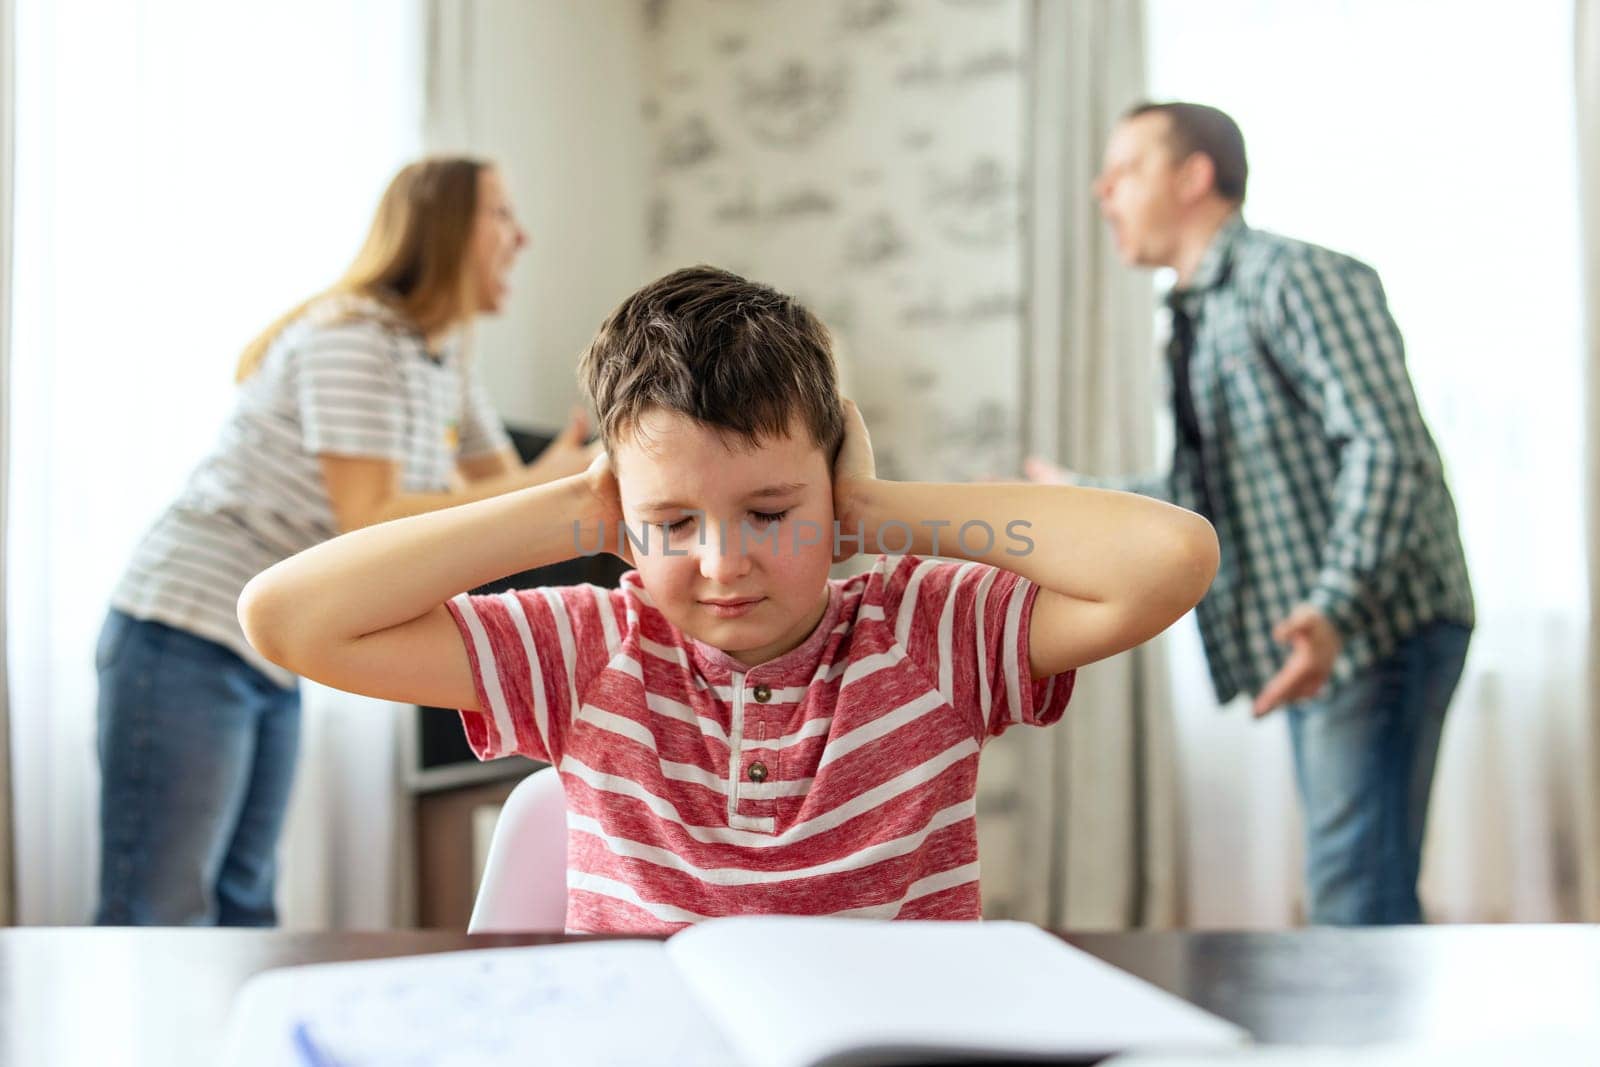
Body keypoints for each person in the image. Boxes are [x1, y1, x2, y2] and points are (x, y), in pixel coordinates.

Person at [238, 265, 1219, 934]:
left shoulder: (926, 633)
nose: (722, 563)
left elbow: (1169, 556)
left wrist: (880, 510)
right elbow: (286, 617)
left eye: (769, 509)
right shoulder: (588, 650)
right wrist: (570, 511)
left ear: (830, 481)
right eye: (671, 522)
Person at [96, 157, 597, 926]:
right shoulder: (354, 339)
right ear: (448, 227)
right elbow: (371, 518)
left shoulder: (445, 357)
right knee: (160, 907)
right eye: (502, 213)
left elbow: (506, 506)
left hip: (264, 642)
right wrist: (561, 485)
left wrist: (566, 482)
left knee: (246, 897)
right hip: (185, 627)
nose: (522, 236)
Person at [1028, 101, 1475, 925]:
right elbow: (1210, 491)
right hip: (1322, 630)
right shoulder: (1199, 317)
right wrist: (1083, 499)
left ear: (1195, 176)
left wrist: (1336, 605)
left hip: (1379, 621)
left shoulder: (1294, 278)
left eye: (1124, 169)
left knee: (1353, 893)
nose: (1101, 191)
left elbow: (1387, 446)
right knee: (1355, 882)